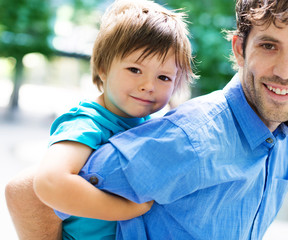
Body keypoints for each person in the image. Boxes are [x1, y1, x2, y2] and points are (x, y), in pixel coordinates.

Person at [6, 0, 288, 239]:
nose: (285, 71)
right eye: (269, 45)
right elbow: (28, 193)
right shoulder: (188, 140)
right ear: (240, 48)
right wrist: (126, 211)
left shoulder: (287, 150)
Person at [5, 0, 195, 239]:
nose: (149, 86)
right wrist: (127, 209)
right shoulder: (88, 123)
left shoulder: (148, 123)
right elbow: (49, 182)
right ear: (103, 68)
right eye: (135, 70)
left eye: (164, 77)